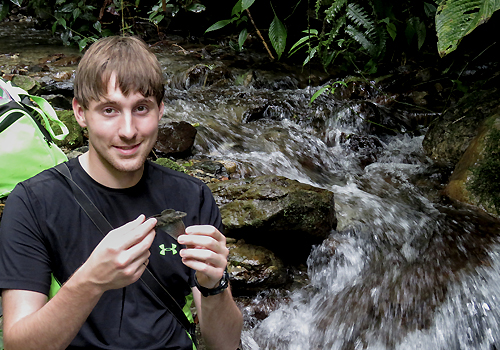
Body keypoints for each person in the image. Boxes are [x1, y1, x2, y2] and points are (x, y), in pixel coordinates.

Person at [0, 36, 243, 350]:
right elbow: (18, 345)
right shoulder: (33, 203)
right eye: (109, 110)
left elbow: (224, 344)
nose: (128, 130)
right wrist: (92, 280)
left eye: (141, 108)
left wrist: (214, 284)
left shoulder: (191, 197)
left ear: (161, 110)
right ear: (80, 113)